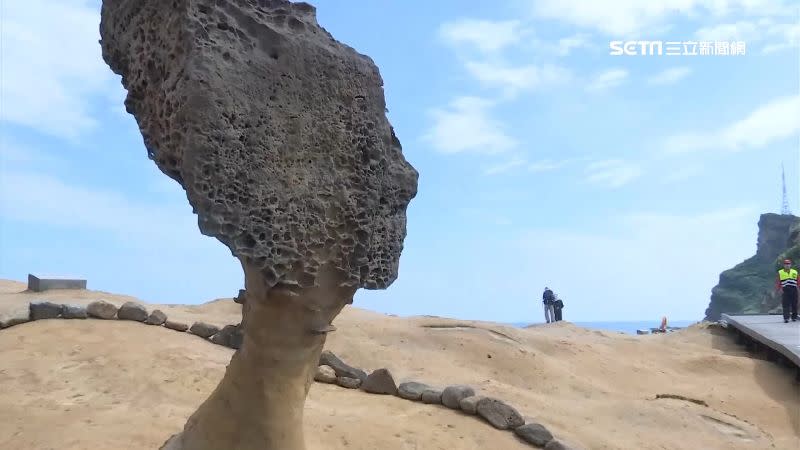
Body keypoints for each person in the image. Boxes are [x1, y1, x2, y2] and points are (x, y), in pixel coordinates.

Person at [776, 259, 799, 323]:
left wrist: (798, 288)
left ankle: (794, 317)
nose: (787, 265)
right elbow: (778, 281)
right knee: (786, 304)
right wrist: (778, 289)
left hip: (794, 289)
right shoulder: (780, 272)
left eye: (788, 264)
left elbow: (798, 281)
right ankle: (786, 318)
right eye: (786, 264)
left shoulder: (795, 272)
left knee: (794, 304)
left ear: (790, 265)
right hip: (785, 289)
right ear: (784, 265)